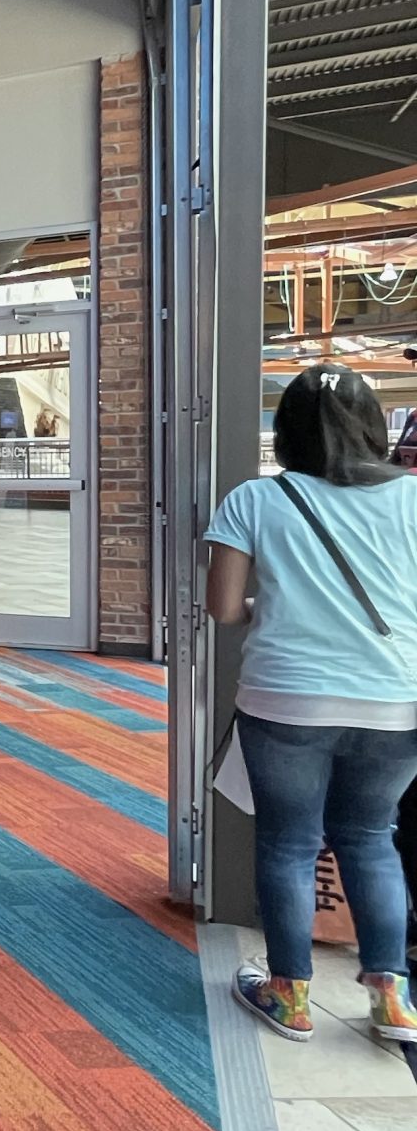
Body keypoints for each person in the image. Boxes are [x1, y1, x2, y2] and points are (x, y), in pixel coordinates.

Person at [204, 363, 417, 1043]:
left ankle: (289, 995)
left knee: (289, 844)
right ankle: (391, 999)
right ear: (374, 426)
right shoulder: (413, 498)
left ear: (287, 431)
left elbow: (224, 608)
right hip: (395, 701)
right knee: (372, 838)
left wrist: (277, 605)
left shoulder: (253, 500)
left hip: (286, 697)